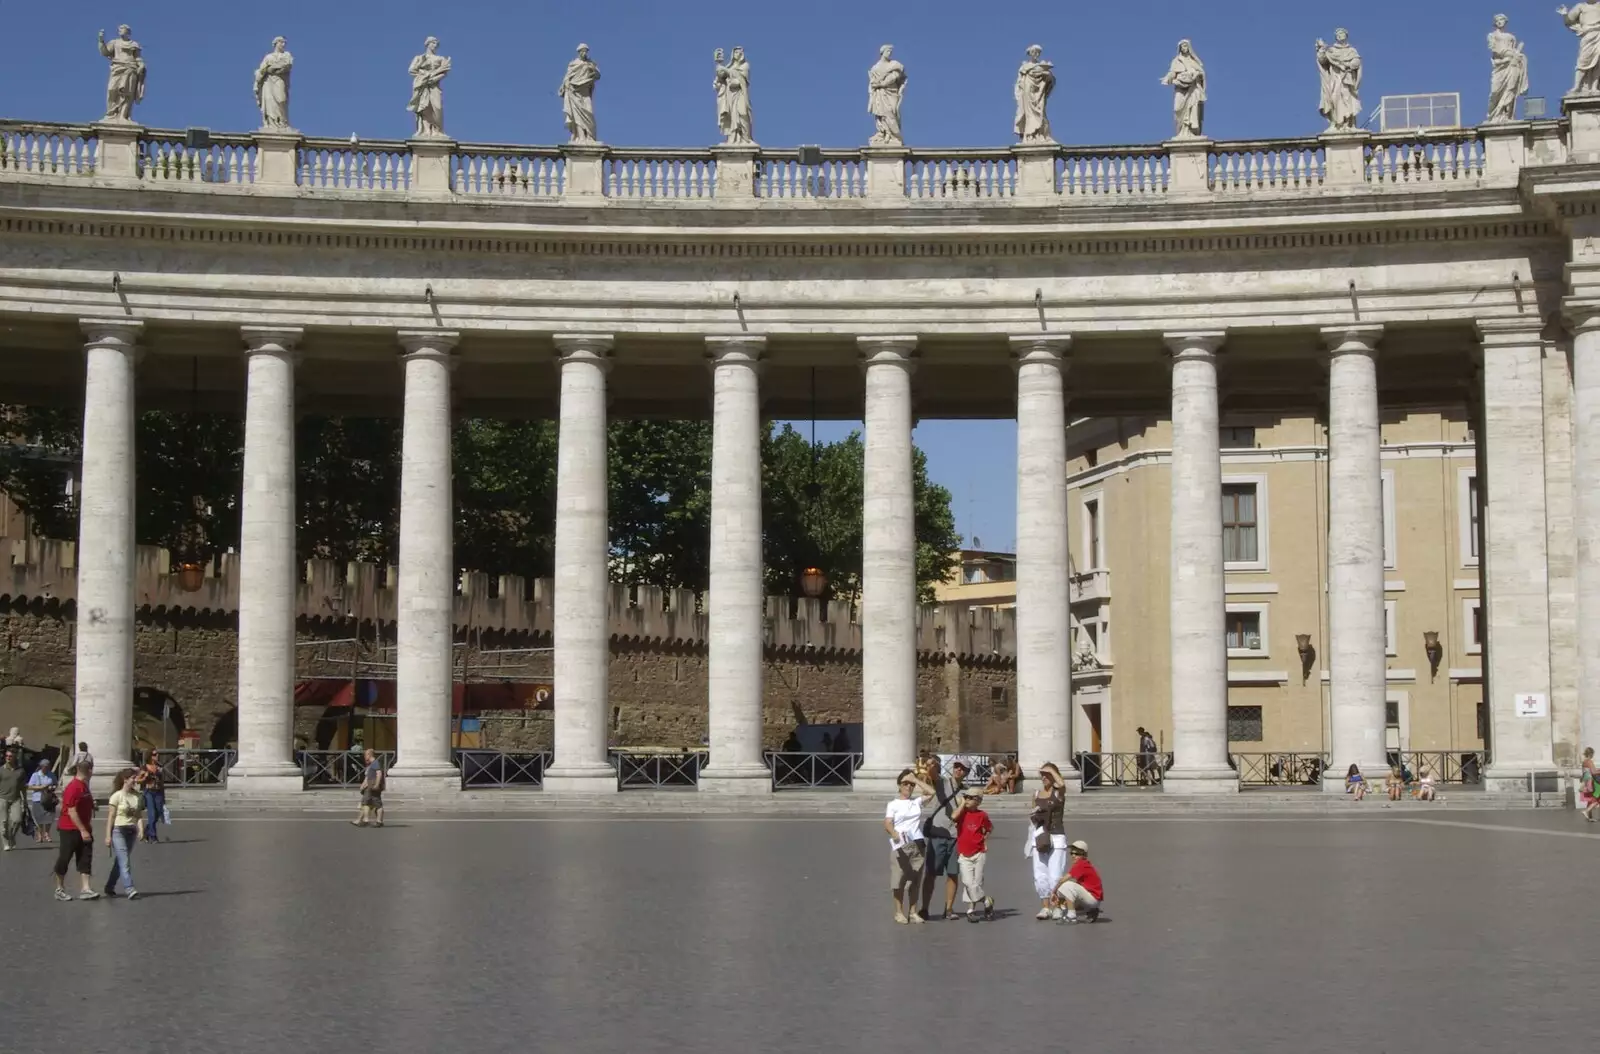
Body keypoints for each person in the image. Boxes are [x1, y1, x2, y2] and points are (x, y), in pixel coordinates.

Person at [884, 767, 934, 924]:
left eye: (910, 784)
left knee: (915, 879)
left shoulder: (916, 802)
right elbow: (887, 823)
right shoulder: (893, 804)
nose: (908, 787)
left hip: (917, 843)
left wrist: (916, 779)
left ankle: (912, 911)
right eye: (905, 783)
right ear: (899, 786)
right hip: (901, 845)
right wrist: (894, 834)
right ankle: (899, 911)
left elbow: (931, 792)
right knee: (899, 879)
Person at [921, 758, 966, 920]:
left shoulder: (965, 790)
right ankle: (924, 908)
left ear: (966, 772)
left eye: (962, 768)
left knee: (953, 874)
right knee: (931, 874)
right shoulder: (943, 782)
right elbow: (933, 775)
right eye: (956, 766)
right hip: (938, 834)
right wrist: (931, 766)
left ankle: (949, 909)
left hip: (955, 836)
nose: (958, 770)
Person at [52, 761, 98, 901]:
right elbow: (72, 811)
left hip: (84, 828)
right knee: (64, 858)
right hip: (69, 828)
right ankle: (59, 888)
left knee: (85, 857)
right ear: (90, 771)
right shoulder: (73, 787)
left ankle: (85, 889)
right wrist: (83, 830)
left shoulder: (84, 786)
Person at [1028, 762, 1069, 920]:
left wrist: (1051, 769)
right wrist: (1034, 814)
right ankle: (1045, 907)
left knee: (1055, 874)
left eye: (1048, 775)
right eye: (1042, 775)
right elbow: (1031, 814)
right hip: (1039, 836)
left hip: (1056, 836)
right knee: (1040, 875)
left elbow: (1062, 784)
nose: (1044, 778)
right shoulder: (1037, 793)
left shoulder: (1058, 793)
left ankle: (1057, 905)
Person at [951, 789, 994, 922]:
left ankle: (971, 910)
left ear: (978, 801)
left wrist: (985, 840)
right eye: (966, 797)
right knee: (968, 882)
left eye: (971, 798)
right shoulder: (961, 813)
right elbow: (953, 817)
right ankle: (987, 900)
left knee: (977, 882)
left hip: (978, 852)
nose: (967, 799)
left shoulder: (983, 815)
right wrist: (962, 804)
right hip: (964, 853)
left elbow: (989, 828)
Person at [103, 768, 144, 899]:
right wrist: (108, 836)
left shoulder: (137, 796)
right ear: (125, 779)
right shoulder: (116, 796)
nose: (135, 780)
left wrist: (141, 829)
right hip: (118, 831)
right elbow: (111, 816)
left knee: (120, 861)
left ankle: (109, 886)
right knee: (124, 861)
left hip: (131, 831)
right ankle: (129, 888)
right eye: (133, 778)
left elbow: (138, 815)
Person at [1054, 840, 1104, 924]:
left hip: (1092, 899)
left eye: (1077, 854)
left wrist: (1053, 892)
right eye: (1072, 853)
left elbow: (1063, 880)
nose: (1073, 856)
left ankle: (1071, 917)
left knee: (1066, 886)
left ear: (1083, 855)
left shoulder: (1081, 864)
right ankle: (1091, 911)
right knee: (1067, 894)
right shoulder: (1084, 864)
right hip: (1094, 899)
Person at [136, 755, 166, 843]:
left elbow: (162, 782)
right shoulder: (144, 767)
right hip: (148, 792)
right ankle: (153, 836)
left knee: (158, 813)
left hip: (158, 792)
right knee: (152, 814)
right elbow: (137, 780)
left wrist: (163, 796)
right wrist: (145, 777)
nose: (156, 756)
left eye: (157, 754)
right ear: (150, 756)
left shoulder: (159, 767)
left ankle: (146, 831)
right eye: (154, 754)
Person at [352, 748, 385, 828]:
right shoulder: (372, 764)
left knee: (369, 802)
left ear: (369, 755)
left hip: (373, 783)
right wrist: (364, 784)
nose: (364, 757)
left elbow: (379, 773)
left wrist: (376, 784)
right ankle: (376, 821)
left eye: (365, 755)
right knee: (373, 801)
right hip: (371, 782)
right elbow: (369, 776)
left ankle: (368, 820)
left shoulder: (375, 763)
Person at [0, 747, 24, 851]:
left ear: (15, 757)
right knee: (3, 822)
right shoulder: (1, 770)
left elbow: (23, 786)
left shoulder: (20, 771)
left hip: (16, 798)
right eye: (7, 756)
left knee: (17, 820)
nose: (8, 758)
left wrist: (25, 801)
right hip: (2, 798)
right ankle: (5, 843)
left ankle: (12, 836)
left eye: (10, 756)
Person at [27, 759, 55, 844]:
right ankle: (40, 834)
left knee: (49, 817)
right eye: (44, 767)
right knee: (38, 818)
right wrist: (41, 787)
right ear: (41, 766)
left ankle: (47, 833)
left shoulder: (51, 775)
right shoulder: (35, 775)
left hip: (48, 799)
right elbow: (30, 786)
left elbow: (55, 784)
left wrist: (52, 787)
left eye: (47, 767)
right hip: (38, 798)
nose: (46, 768)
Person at [1581, 748, 1600, 821]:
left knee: (1590, 799)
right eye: (1592, 754)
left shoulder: (1584, 762)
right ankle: (1586, 811)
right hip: (1592, 781)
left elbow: (1588, 771)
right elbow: (1594, 772)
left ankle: (1590, 817)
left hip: (1587, 781)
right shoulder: (1589, 761)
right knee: (1597, 799)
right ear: (1590, 754)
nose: (1593, 756)